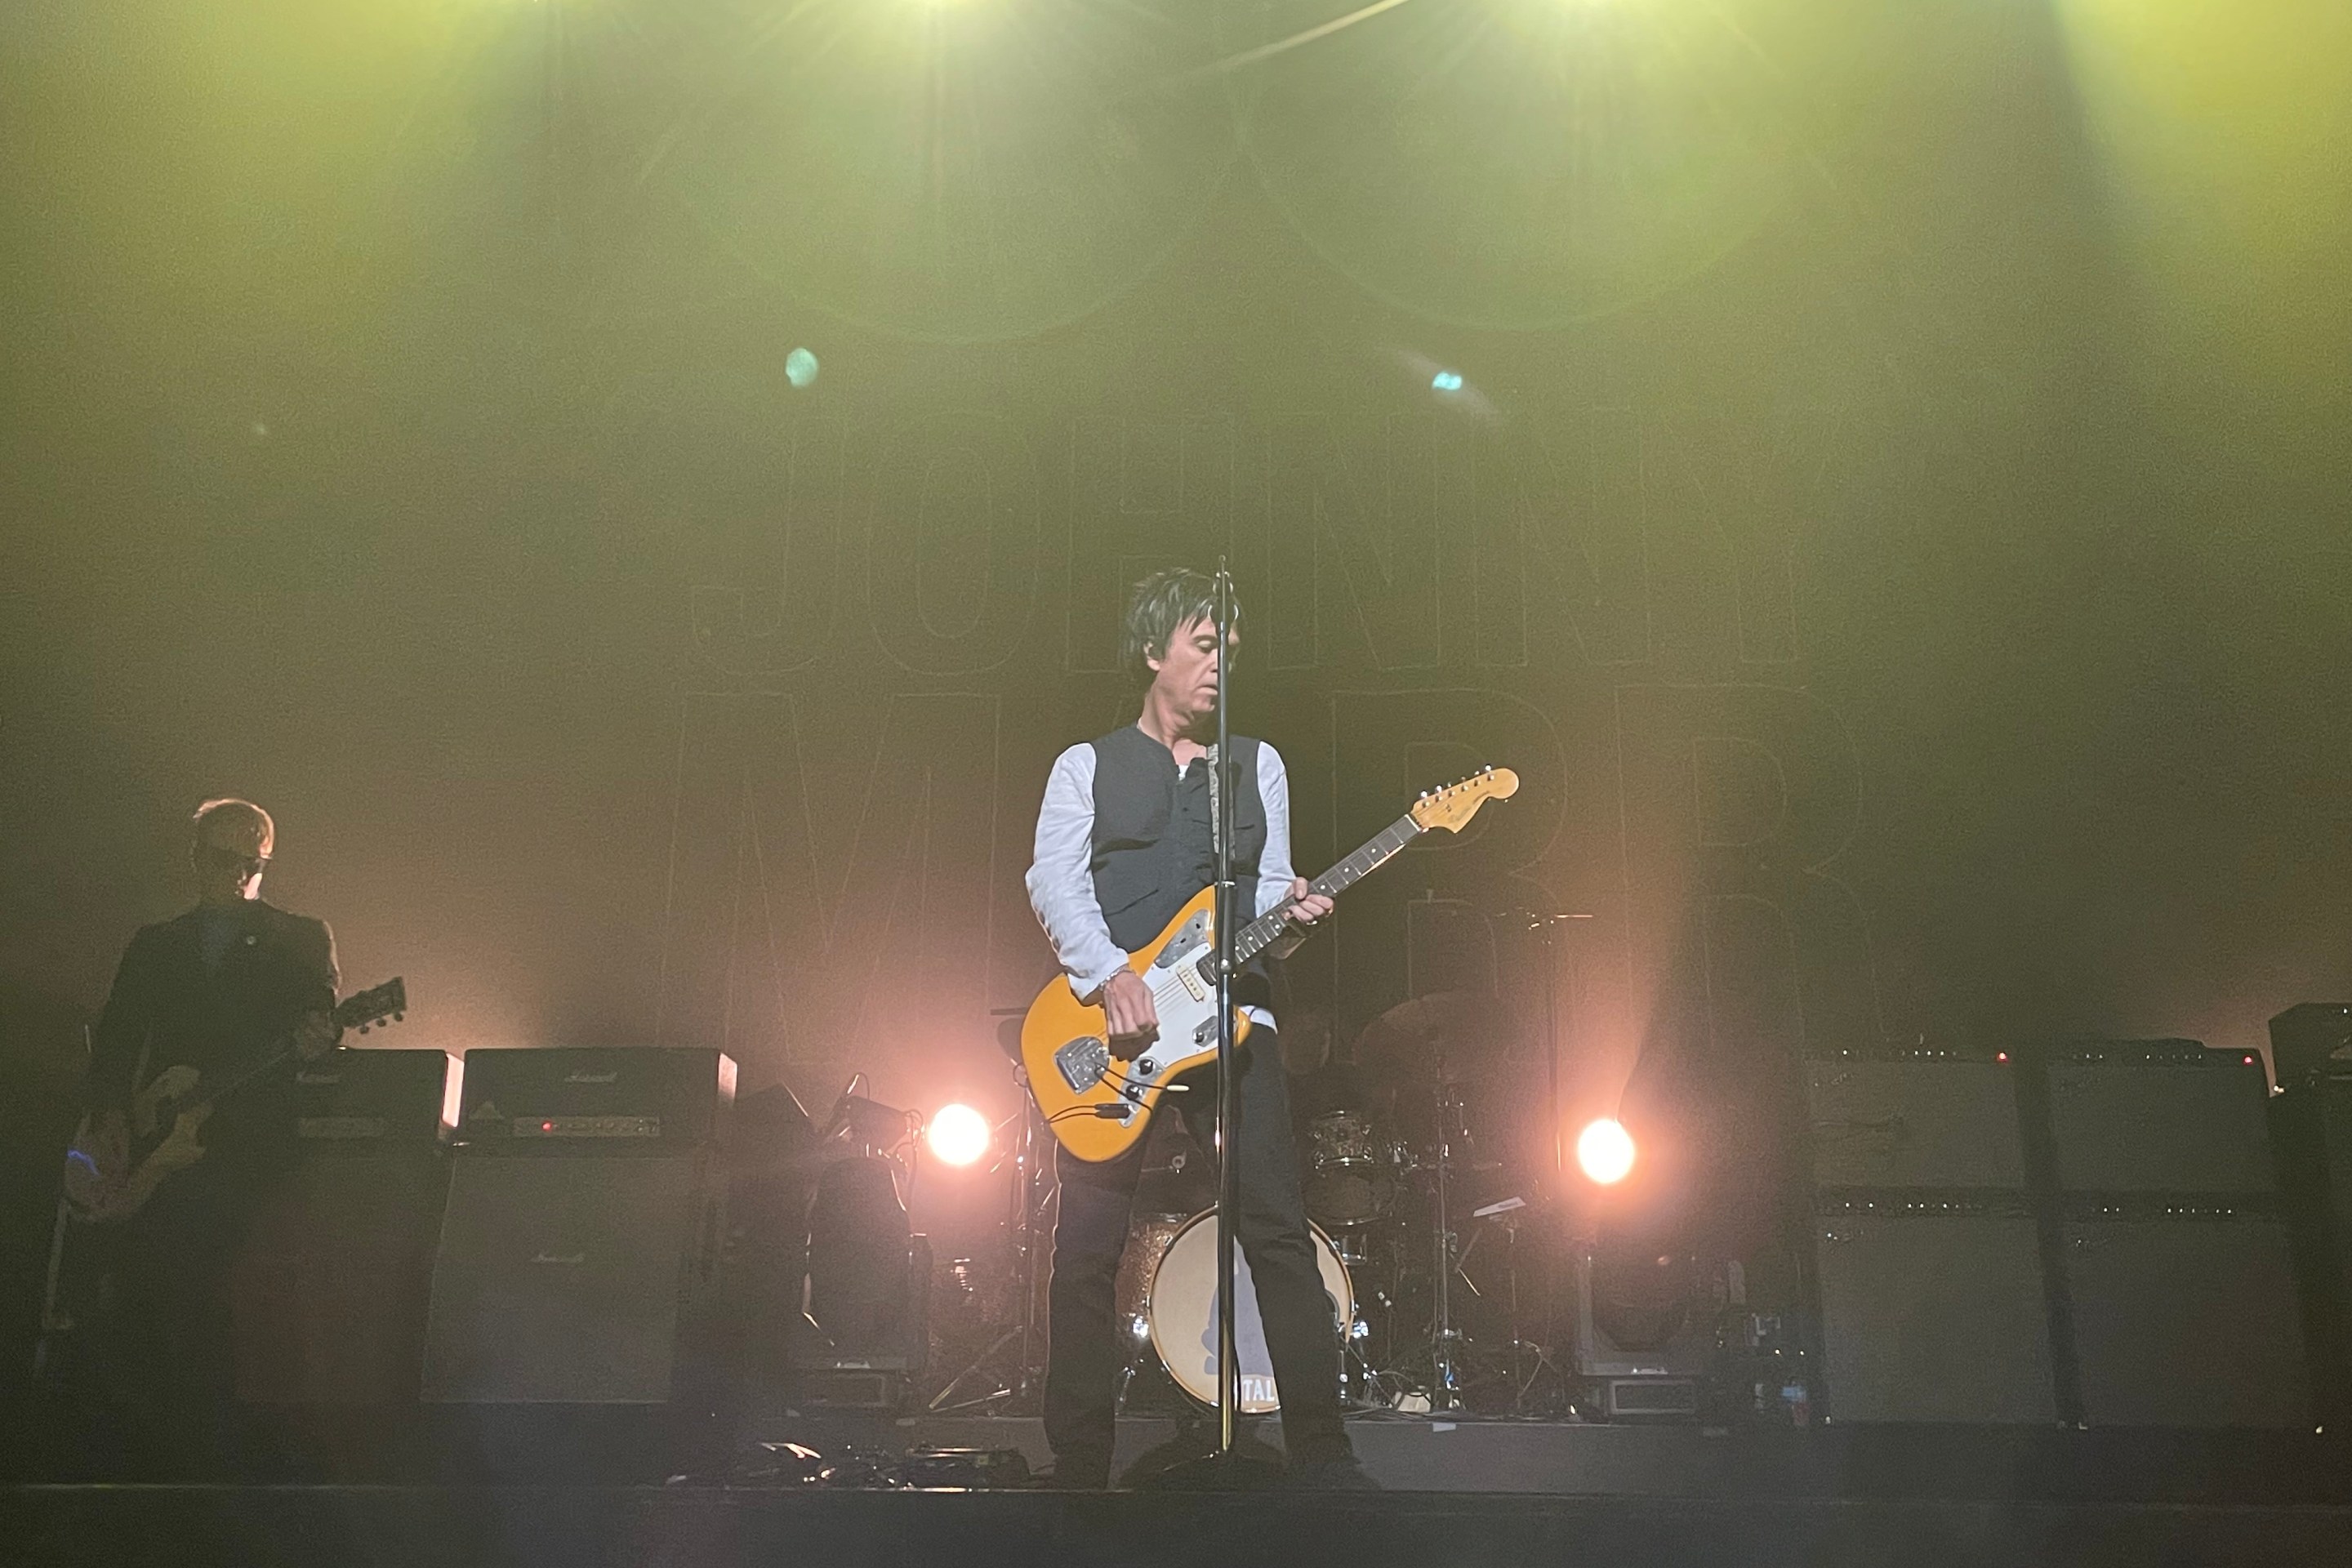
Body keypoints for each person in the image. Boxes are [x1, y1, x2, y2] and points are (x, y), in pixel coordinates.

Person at [1025, 569, 1372, 1490]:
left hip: (1234, 1023)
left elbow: (1263, 897)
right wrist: (1111, 977)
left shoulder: (1256, 765)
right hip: (1121, 1033)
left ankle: (1325, 1461)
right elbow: (1053, 883)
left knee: (1278, 1233)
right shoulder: (1084, 765)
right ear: (1154, 652)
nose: (1223, 664)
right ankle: (1081, 1465)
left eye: (1231, 649)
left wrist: (1289, 916)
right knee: (1087, 1249)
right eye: (1205, 644)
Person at [65, 798, 340, 1478]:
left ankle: (219, 1466)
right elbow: (118, 1040)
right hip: (163, 1139)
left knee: (225, 1296)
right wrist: (110, 1120)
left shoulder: (302, 937)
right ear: (195, 858)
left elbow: (321, 1031)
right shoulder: (156, 943)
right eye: (226, 858)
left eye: (256, 861)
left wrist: (318, 1041)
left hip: (250, 1141)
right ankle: (149, 1457)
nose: (242, 873)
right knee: (154, 1292)